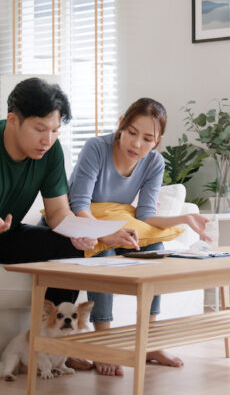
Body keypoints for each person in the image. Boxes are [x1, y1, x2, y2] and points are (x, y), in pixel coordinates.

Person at [0, 78, 133, 392]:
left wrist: (97, 234)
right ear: (13, 120)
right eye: (40, 128)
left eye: (55, 130)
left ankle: (56, 349)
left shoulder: (51, 152)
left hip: (4, 231)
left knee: (65, 246)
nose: (48, 139)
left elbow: (59, 215)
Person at [68, 97, 211, 376]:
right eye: (132, 133)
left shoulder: (153, 162)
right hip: (80, 227)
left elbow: (145, 215)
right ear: (121, 124)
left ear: (157, 140)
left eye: (147, 139)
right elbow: (79, 205)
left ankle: (149, 342)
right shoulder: (96, 148)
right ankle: (104, 343)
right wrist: (106, 233)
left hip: (114, 224)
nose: (137, 145)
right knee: (104, 253)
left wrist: (184, 217)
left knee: (154, 247)